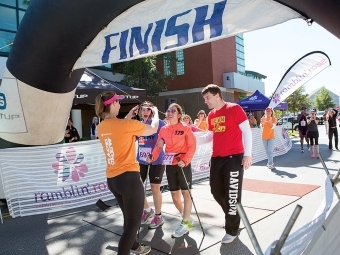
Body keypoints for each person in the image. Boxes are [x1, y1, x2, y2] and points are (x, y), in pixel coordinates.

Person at [95, 91, 159, 255]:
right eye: (118, 102)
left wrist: (128, 117)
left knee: (128, 218)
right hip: (129, 180)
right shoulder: (125, 125)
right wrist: (156, 113)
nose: (120, 104)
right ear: (112, 104)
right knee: (133, 223)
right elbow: (152, 129)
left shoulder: (101, 127)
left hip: (113, 180)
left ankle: (134, 246)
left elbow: (116, 130)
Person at [200, 84, 252, 244]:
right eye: (204, 99)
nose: (205, 101)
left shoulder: (234, 108)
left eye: (207, 97)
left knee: (232, 195)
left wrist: (247, 155)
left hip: (234, 158)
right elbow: (209, 136)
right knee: (216, 191)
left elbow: (247, 131)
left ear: (217, 95)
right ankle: (235, 215)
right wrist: (191, 138)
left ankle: (232, 229)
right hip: (216, 158)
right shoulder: (210, 115)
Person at [147, 103, 197, 238]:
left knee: (186, 194)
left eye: (173, 111)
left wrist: (185, 160)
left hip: (182, 163)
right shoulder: (163, 129)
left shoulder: (186, 128)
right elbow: (158, 147)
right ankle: (186, 217)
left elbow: (192, 146)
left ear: (179, 115)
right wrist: (152, 156)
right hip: (170, 164)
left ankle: (185, 223)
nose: (169, 113)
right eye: (168, 111)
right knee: (175, 196)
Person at [126, 101, 166, 229]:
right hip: (142, 160)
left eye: (148, 110)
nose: (145, 112)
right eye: (143, 110)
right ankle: (148, 210)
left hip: (157, 160)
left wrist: (161, 142)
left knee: (155, 187)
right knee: (137, 186)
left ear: (153, 111)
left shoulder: (158, 123)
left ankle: (158, 216)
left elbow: (167, 134)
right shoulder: (139, 124)